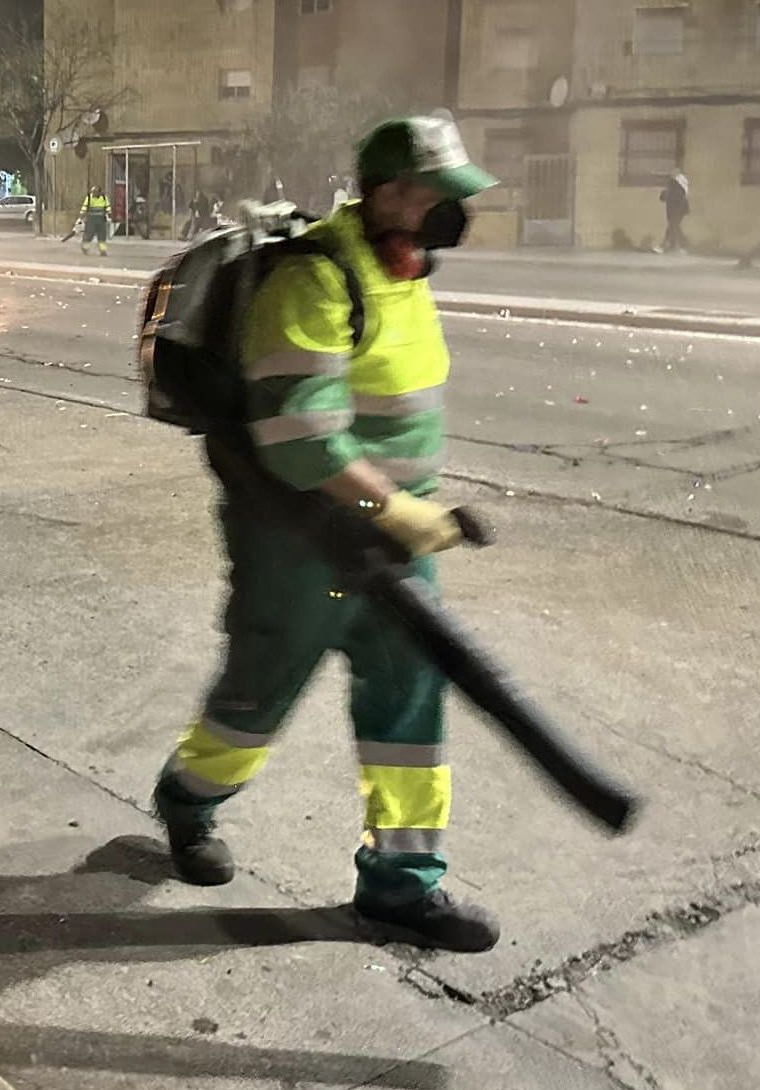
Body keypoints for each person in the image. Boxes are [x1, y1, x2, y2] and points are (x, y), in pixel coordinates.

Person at [152, 116, 503, 953]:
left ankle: (399, 888)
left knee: (408, 715)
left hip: (390, 542)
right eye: (438, 197)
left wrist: (411, 513)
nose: (455, 213)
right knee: (255, 702)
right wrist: (398, 509)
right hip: (300, 545)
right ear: (387, 193)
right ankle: (187, 802)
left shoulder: (401, 271)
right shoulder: (315, 278)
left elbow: (391, 412)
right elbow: (299, 437)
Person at [656, 169, 690, 253]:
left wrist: (665, 194)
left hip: (676, 209)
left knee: (672, 226)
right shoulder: (679, 185)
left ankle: (664, 246)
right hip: (677, 209)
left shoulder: (676, 184)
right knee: (674, 227)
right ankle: (678, 246)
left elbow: (668, 196)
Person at [78, 186, 111, 256]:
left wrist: (109, 216)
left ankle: (103, 251)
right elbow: (84, 207)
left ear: (99, 192)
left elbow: (108, 207)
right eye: (93, 192)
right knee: (89, 235)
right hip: (91, 219)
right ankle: (85, 248)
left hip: (101, 220)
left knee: (102, 236)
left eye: (95, 192)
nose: (94, 194)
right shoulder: (89, 197)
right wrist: (81, 217)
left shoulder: (104, 198)